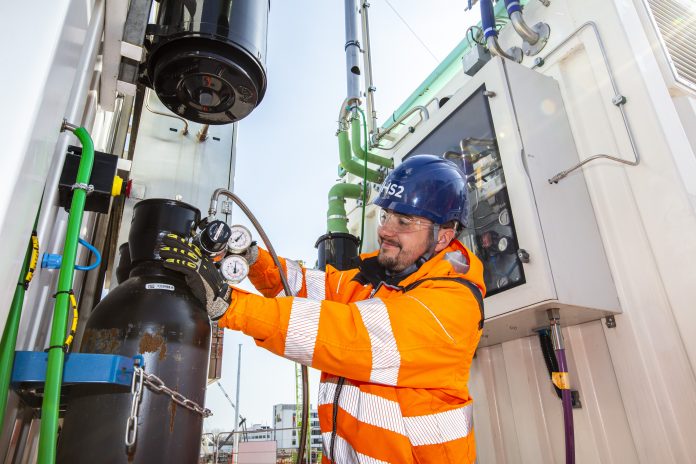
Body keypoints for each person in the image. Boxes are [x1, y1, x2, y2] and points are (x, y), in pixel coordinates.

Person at [159, 154, 485, 463]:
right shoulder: (377, 279)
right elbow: (307, 286)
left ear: (443, 236)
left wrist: (230, 305)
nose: (385, 229)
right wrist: (251, 259)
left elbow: (352, 335)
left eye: (404, 221)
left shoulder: (452, 304)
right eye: (385, 215)